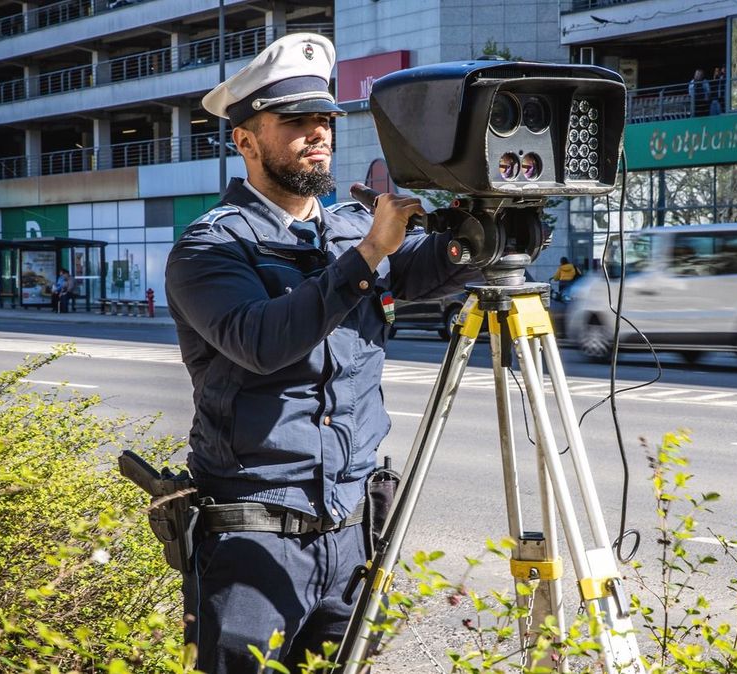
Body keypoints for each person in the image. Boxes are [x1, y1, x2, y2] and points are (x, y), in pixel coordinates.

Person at [163, 33, 479, 672]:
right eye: (296, 122)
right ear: (245, 140)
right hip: (253, 539)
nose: (318, 134)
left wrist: (486, 230)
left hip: (354, 532)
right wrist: (368, 258)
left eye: (325, 121)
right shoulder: (210, 248)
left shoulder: (352, 227)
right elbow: (261, 342)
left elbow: (428, 270)